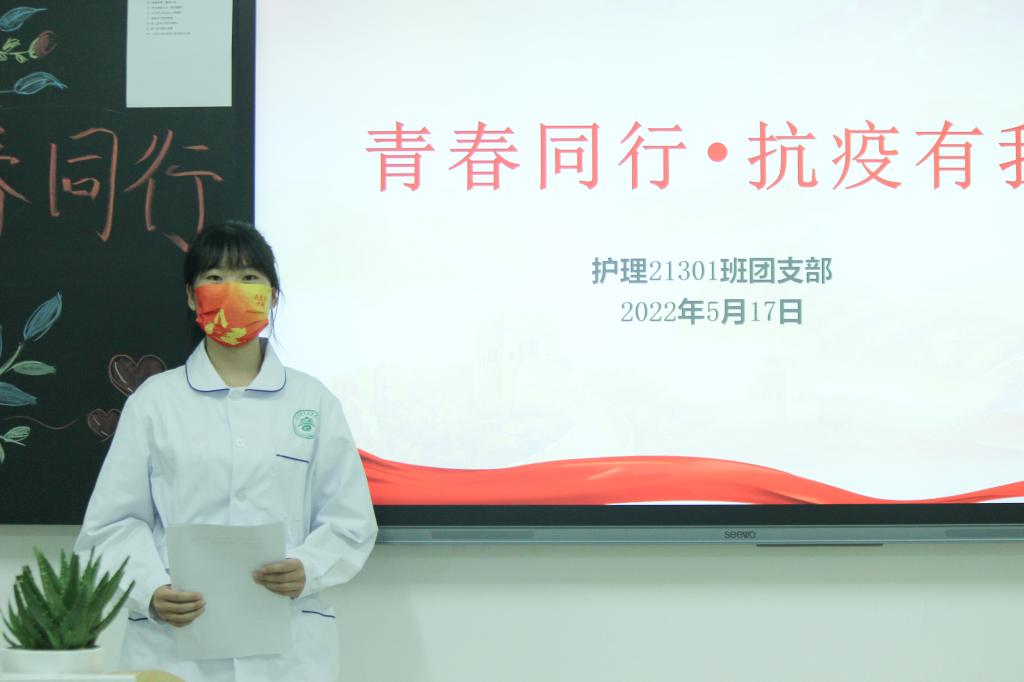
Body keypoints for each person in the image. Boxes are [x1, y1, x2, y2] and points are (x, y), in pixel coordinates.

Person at [75, 221, 378, 682]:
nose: (232, 289)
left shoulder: (312, 401)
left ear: (272, 296)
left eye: (249, 277)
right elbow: (112, 524)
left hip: (288, 648)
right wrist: (151, 589)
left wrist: (309, 568)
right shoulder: (154, 402)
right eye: (214, 277)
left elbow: (350, 521)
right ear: (191, 296)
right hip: (175, 645)